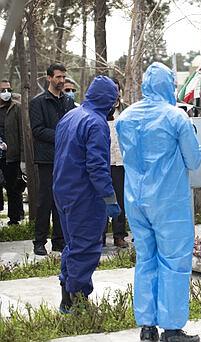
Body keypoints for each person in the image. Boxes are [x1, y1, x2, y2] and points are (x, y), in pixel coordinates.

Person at [116, 62, 201, 342]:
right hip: (168, 201)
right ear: (168, 86)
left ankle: (147, 326)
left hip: (135, 199)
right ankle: (173, 329)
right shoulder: (176, 118)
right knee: (174, 262)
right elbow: (194, 159)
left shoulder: (125, 117)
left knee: (145, 260)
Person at [53, 76, 121, 312]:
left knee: (72, 245)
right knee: (86, 247)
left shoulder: (70, 116)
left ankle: (66, 295)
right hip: (85, 195)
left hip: (63, 190)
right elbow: (97, 166)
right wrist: (109, 197)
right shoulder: (96, 123)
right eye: (114, 100)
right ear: (108, 100)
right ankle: (77, 301)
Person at [29, 64, 75, 256]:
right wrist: (62, 134)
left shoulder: (67, 102)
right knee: (44, 201)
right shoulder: (38, 102)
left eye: (63, 77)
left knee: (61, 201)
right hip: (47, 159)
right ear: (49, 78)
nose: (61, 80)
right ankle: (39, 241)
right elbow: (37, 130)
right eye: (58, 77)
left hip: (65, 158)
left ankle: (59, 240)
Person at [103, 78, 129, 248]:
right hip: (103, 162)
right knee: (102, 199)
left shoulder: (126, 110)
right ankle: (100, 235)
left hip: (121, 162)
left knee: (120, 199)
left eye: (117, 89)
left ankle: (119, 235)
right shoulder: (100, 110)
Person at [0, 80, 24, 225]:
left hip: (10, 156)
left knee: (13, 188)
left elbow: (22, 133)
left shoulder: (16, 109)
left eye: (8, 89)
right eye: (3, 90)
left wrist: (22, 156)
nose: (6, 93)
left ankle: (14, 219)